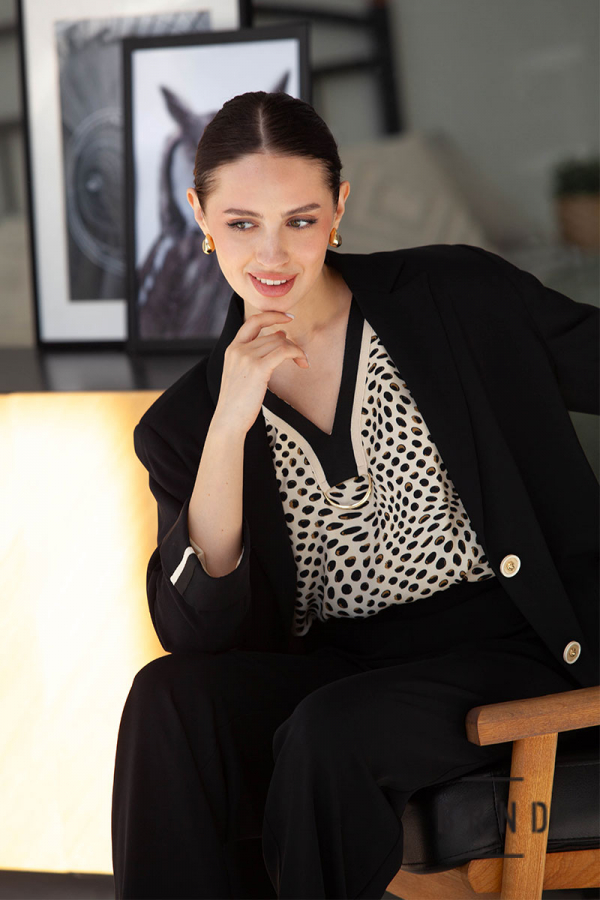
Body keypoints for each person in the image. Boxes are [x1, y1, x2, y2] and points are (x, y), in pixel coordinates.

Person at [111, 91, 599, 900]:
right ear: (200, 215)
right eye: (242, 223)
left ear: (339, 207)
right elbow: (197, 634)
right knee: (168, 700)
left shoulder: (455, 298)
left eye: (300, 220)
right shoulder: (188, 421)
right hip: (343, 668)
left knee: (330, 730)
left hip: (512, 648)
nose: (272, 253)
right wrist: (231, 422)